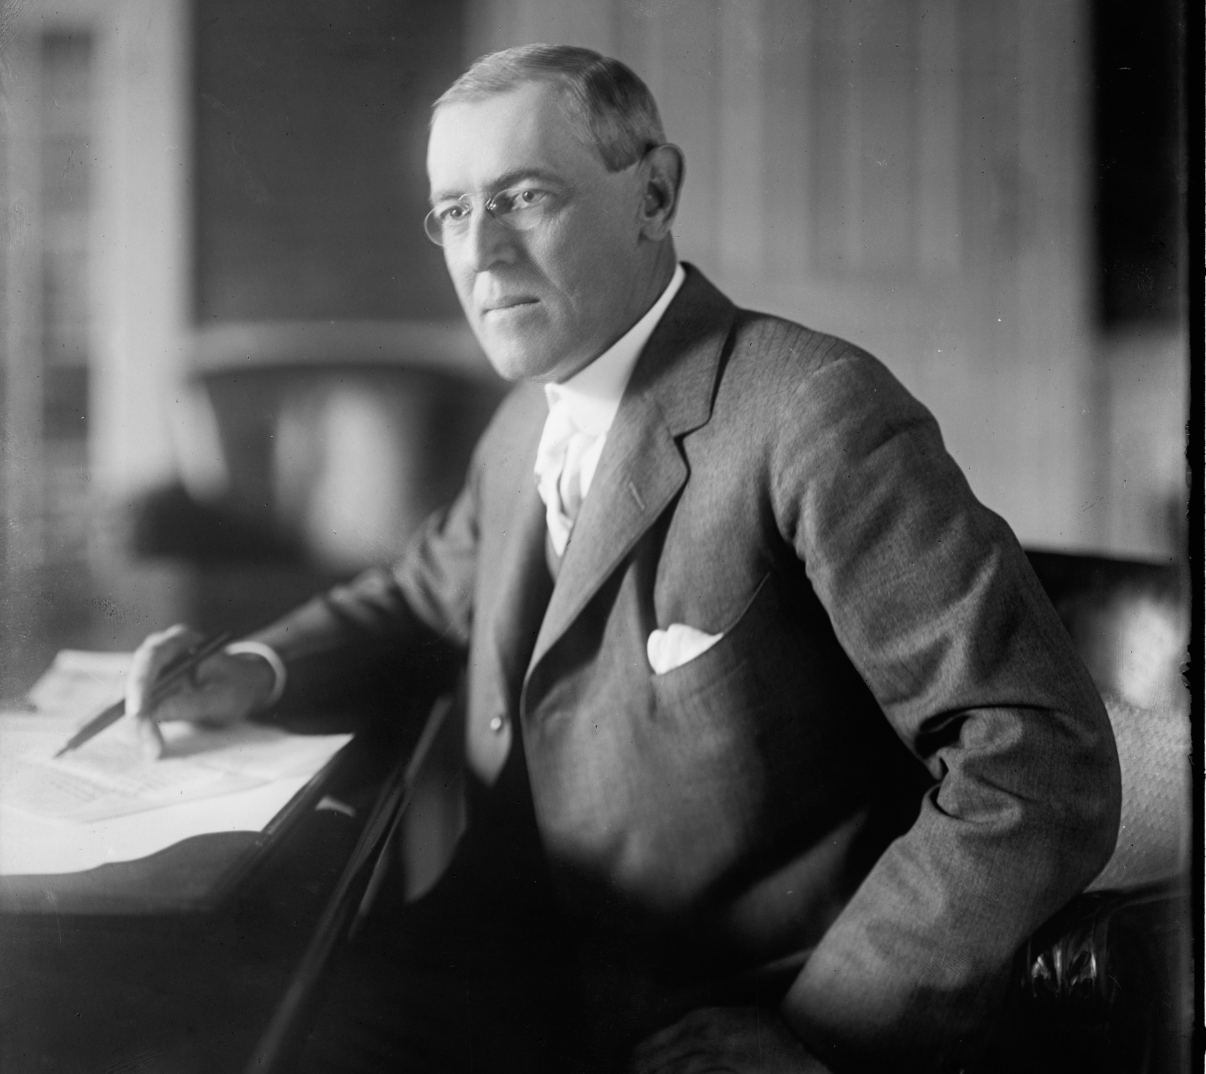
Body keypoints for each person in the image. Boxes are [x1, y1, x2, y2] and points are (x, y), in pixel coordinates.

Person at [126, 45, 1121, 1074]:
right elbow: (424, 594)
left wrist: (822, 1031)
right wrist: (256, 670)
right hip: (505, 976)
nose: (483, 253)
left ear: (654, 193)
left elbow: (1036, 752)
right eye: (454, 212)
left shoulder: (813, 411)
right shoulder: (525, 423)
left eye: (522, 196)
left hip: (723, 1023)